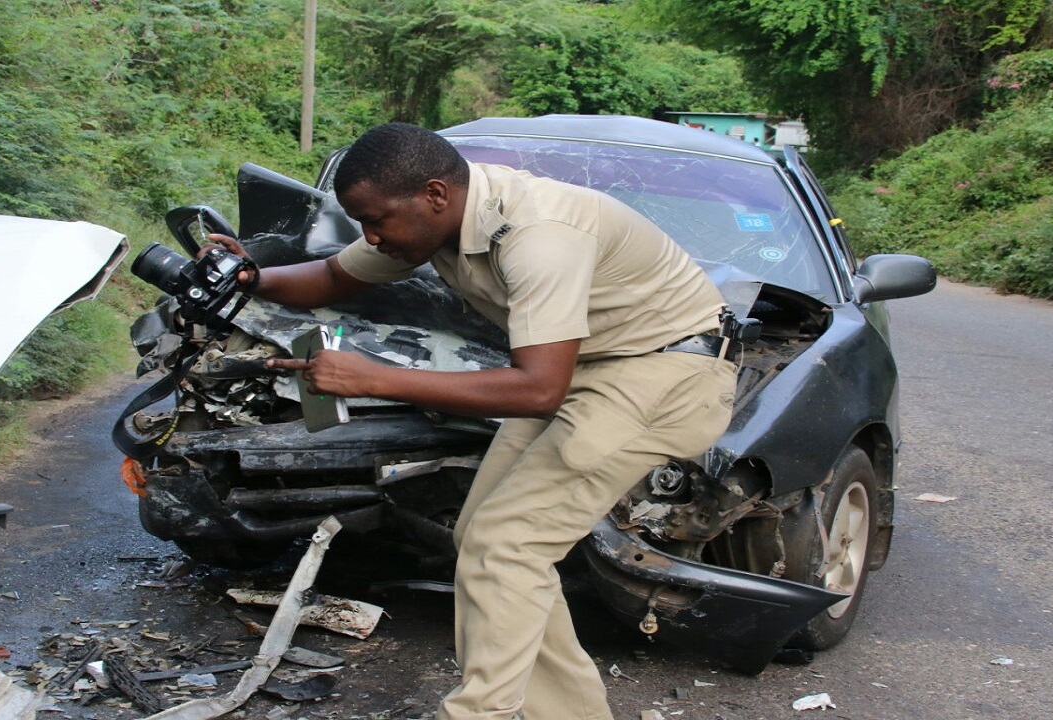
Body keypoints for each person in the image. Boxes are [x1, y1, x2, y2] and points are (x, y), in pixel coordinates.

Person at [204, 123, 736, 720]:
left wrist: (371, 377)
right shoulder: (432, 222)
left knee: (508, 546)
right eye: (362, 224)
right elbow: (332, 277)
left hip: (663, 376)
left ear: (435, 194)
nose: (371, 237)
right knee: (483, 540)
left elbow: (536, 389)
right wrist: (249, 278)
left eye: (377, 220)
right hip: (589, 372)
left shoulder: (540, 235)